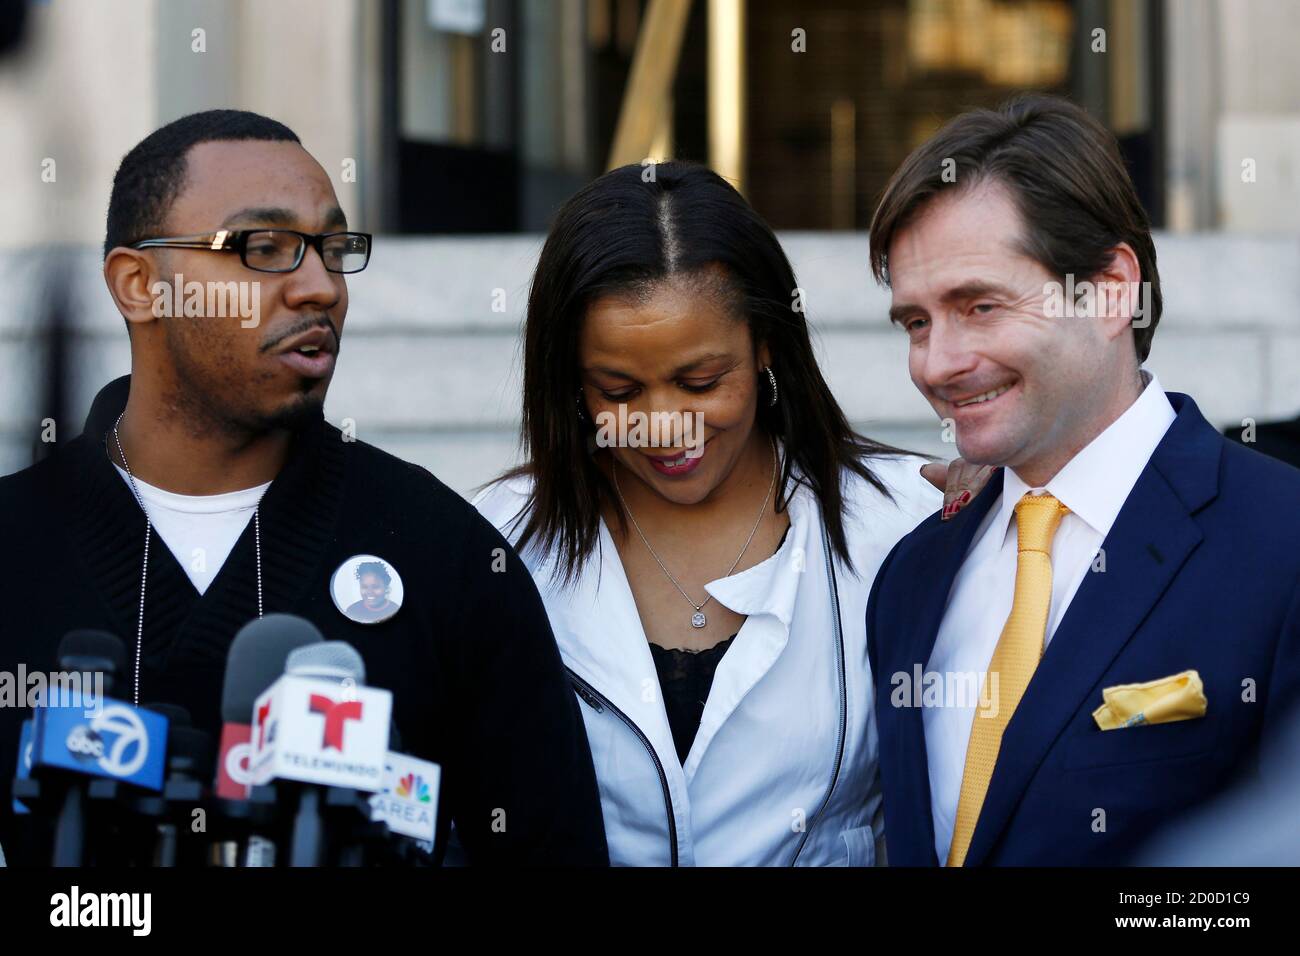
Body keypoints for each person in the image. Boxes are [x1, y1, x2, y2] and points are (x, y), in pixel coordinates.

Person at [0, 109, 607, 866]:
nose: (319, 286)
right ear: (139, 284)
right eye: (265, 247)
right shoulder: (15, 544)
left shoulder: (441, 556)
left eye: (331, 248)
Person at [865, 94, 1300, 866]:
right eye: (917, 322)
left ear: (1109, 290)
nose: (936, 364)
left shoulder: (1281, 542)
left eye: (979, 305)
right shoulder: (911, 574)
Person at [474, 161, 948, 865]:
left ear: (764, 346)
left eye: (700, 382)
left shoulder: (908, 521)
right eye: (620, 391)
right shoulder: (499, 541)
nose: (666, 425)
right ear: (571, 383)